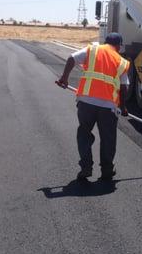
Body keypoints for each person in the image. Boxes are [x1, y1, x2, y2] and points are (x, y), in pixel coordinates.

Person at [56, 33, 130, 182]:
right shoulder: (121, 61)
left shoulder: (93, 50)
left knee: (84, 134)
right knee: (108, 138)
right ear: (119, 46)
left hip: (86, 102)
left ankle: (86, 167)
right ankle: (107, 170)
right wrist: (123, 107)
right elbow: (124, 87)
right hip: (108, 107)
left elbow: (71, 58)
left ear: (106, 42)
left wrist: (64, 77)